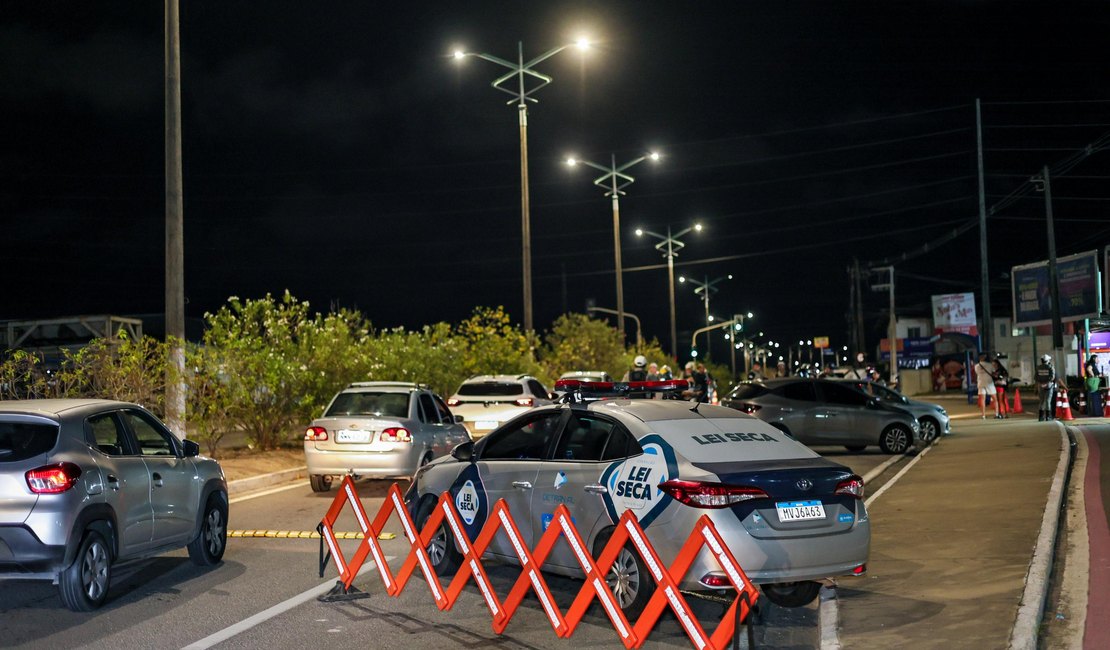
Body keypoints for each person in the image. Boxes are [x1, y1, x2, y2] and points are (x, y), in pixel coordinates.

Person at [974, 352, 1002, 419]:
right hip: (989, 383)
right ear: (985, 357)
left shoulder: (976, 366)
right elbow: (994, 372)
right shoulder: (990, 365)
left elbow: (977, 373)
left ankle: (983, 415)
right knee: (995, 399)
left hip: (980, 382)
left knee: (982, 399)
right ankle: (996, 414)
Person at [1035, 354, 1056, 421]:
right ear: (1047, 360)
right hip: (1048, 386)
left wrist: (1041, 383)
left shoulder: (1038, 367)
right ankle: (1048, 417)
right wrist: (1046, 383)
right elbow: (1052, 377)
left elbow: (1036, 377)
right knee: (1048, 401)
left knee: (1041, 401)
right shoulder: (1050, 367)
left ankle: (1041, 417)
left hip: (1040, 386)